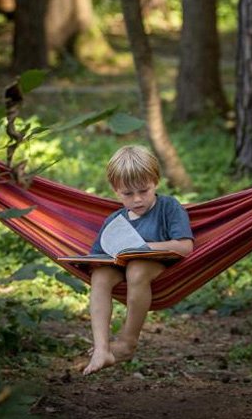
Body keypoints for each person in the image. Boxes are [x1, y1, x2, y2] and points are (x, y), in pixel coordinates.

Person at [83, 145, 194, 375]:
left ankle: (127, 342)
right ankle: (101, 348)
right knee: (100, 276)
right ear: (115, 190)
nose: (137, 200)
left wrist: (144, 248)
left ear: (156, 181)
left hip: (159, 269)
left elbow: (185, 246)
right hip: (120, 268)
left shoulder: (169, 207)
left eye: (144, 191)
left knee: (137, 267)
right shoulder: (115, 220)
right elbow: (99, 257)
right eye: (127, 194)